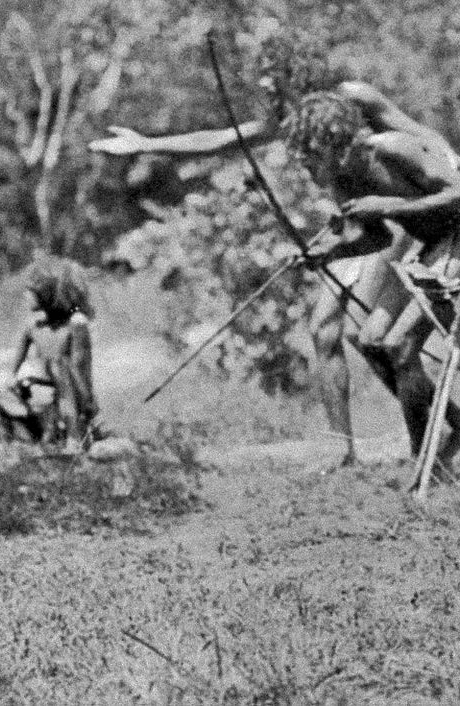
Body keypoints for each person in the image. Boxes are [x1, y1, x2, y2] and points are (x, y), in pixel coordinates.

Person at [89, 31, 402, 465]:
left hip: (400, 223)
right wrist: (147, 144)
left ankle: (430, 429)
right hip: (358, 226)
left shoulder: (351, 99)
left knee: (370, 336)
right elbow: (218, 140)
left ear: (297, 72)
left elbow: (413, 140)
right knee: (325, 330)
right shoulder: (289, 121)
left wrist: (452, 195)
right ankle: (343, 449)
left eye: (272, 77)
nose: (266, 87)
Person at [288, 87, 460, 475]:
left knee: (400, 345)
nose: (307, 172)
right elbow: (378, 239)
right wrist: (330, 254)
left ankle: (425, 461)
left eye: (309, 161)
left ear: (329, 142)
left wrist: (388, 206)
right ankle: (456, 431)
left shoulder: (392, 149)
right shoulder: (346, 179)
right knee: (370, 341)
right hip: (434, 243)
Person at [1, 261, 101, 451]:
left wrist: (87, 403)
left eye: (31, 292)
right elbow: (13, 369)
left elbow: (80, 371)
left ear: (47, 294)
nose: (25, 297)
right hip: (44, 392)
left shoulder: (74, 326)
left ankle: (73, 436)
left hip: (70, 394)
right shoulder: (33, 326)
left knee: (62, 368)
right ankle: (36, 437)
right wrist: (12, 382)